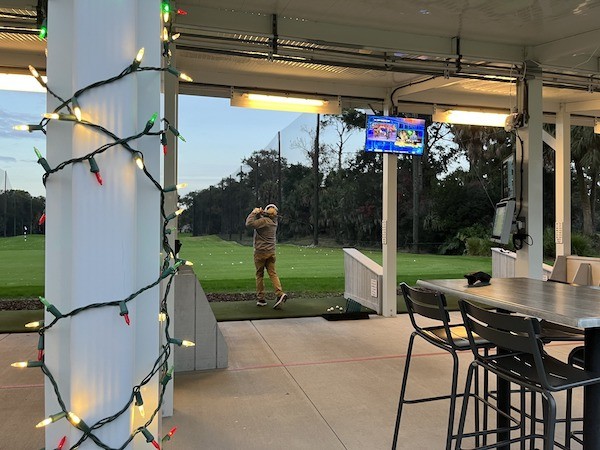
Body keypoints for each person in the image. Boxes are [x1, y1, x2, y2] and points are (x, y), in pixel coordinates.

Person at [245, 204, 287, 309]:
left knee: (259, 274)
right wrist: (261, 213)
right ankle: (280, 294)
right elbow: (262, 221)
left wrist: (254, 212)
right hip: (271, 252)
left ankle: (261, 299)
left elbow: (249, 223)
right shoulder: (274, 222)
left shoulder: (264, 221)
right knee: (273, 273)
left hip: (260, 252)